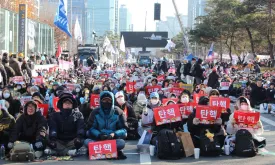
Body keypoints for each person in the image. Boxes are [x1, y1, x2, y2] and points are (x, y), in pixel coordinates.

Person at [85, 91, 127, 159]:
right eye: (104, 100)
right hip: (99, 138)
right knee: (86, 141)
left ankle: (97, 150)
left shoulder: (118, 112)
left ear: (112, 101)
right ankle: (111, 150)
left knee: (121, 143)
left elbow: (124, 130)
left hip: (112, 139)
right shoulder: (95, 112)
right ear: (100, 101)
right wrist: (99, 134)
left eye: (108, 100)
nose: (106, 102)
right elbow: (91, 128)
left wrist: (114, 134)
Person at [47, 92, 85, 156]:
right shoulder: (54, 115)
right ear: (62, 104)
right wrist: (53, 139)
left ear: (72, 105)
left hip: (72, 140)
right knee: (48, 140)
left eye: (69, 103)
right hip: (59, 140)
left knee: (81, 141)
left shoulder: (78, 114)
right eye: (65, 103)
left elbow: (80, 128)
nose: (67, 104)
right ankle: (67, 152)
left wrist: (79, 137)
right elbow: (53, 128)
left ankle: (57, 152)